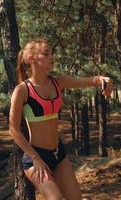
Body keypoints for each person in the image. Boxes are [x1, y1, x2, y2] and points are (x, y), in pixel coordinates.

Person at [9, 38, 113, 200]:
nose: (52, 57)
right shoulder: (22, 90)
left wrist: (104, 80)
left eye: (52, 53)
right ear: (31, 59)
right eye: (46, 54)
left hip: (59, 154)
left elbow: (91, 81)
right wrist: (36, 158)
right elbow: (13, 130)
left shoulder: (59, 83)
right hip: (36, 157)